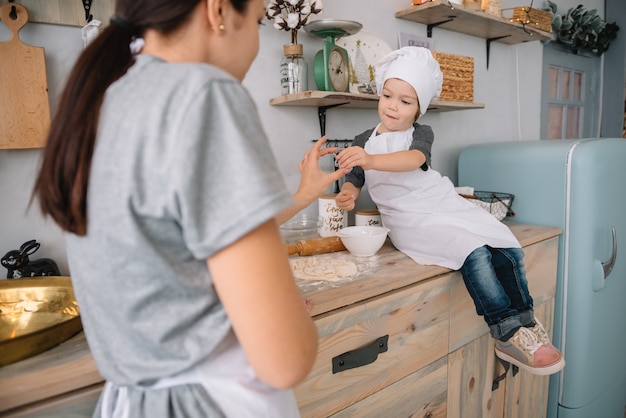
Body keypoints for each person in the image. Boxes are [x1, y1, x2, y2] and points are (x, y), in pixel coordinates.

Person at [32, 0, 344, 416]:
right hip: (211, 403)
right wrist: (287, 317)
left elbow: (176, 248)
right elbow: (284, 360)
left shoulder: (104, 99)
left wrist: (301, 197)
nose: (254, 46)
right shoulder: (204, 93)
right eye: (254, 22)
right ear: (217, 11)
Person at [334, 46, 565, 376]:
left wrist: (369, 160)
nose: (393, 107)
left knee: (506, 244)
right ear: (380, 93)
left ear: (419, 109)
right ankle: (505, 331)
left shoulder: (421, 134)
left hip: (442, 202)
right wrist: (347, 193)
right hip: (409, 218)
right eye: (388, 95)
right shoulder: (362, 140)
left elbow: (412, 161)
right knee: (474, 252)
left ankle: (525, 320)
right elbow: (356, 178)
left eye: (405, 101)